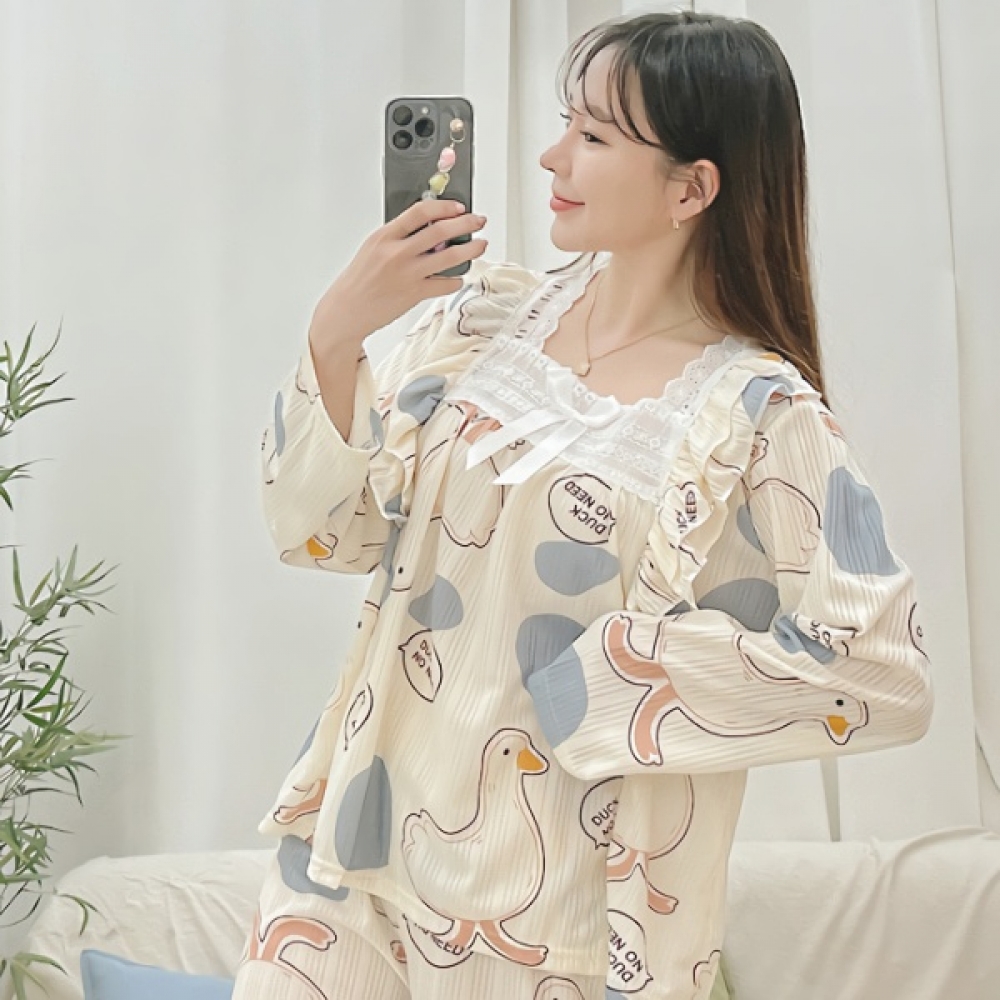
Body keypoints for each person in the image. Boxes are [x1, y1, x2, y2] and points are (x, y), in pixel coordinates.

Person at [232, 11, 934, 1000]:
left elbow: (881, 671)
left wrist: (619, 682)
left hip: (554, 924)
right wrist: (339, 332)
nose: (553, 155)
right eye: (568, 122)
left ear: (691, 188)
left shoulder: (760, 418)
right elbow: (324, 532)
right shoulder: (485, 326)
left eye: (594, 135)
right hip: (349, 863)